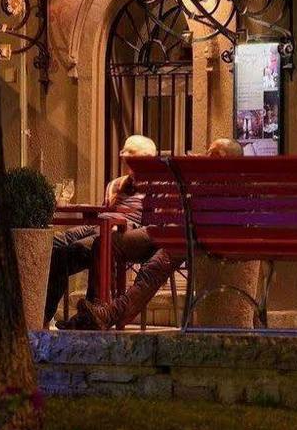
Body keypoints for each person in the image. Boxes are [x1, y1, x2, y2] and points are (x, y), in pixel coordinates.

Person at [63, 138, 242, 330]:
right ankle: (93, 313)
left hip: (188, 237)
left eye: (213, 155)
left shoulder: (233, 185)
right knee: (106, 242)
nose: (206, 157)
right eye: (208, 152)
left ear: (229, 161)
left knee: (154, 266)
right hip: (163, 230)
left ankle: (108, 315)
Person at [45, 135, 160, 327]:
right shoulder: (116, 184)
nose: (129, 167)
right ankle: (42, 315)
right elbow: (105, 209)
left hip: (127, 228)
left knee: (83, 246)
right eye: (126, 161)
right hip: (102, 223)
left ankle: (88, 316)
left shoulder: (157, 185)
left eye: (134, 162)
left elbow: (152, 223)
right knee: (57, 245)